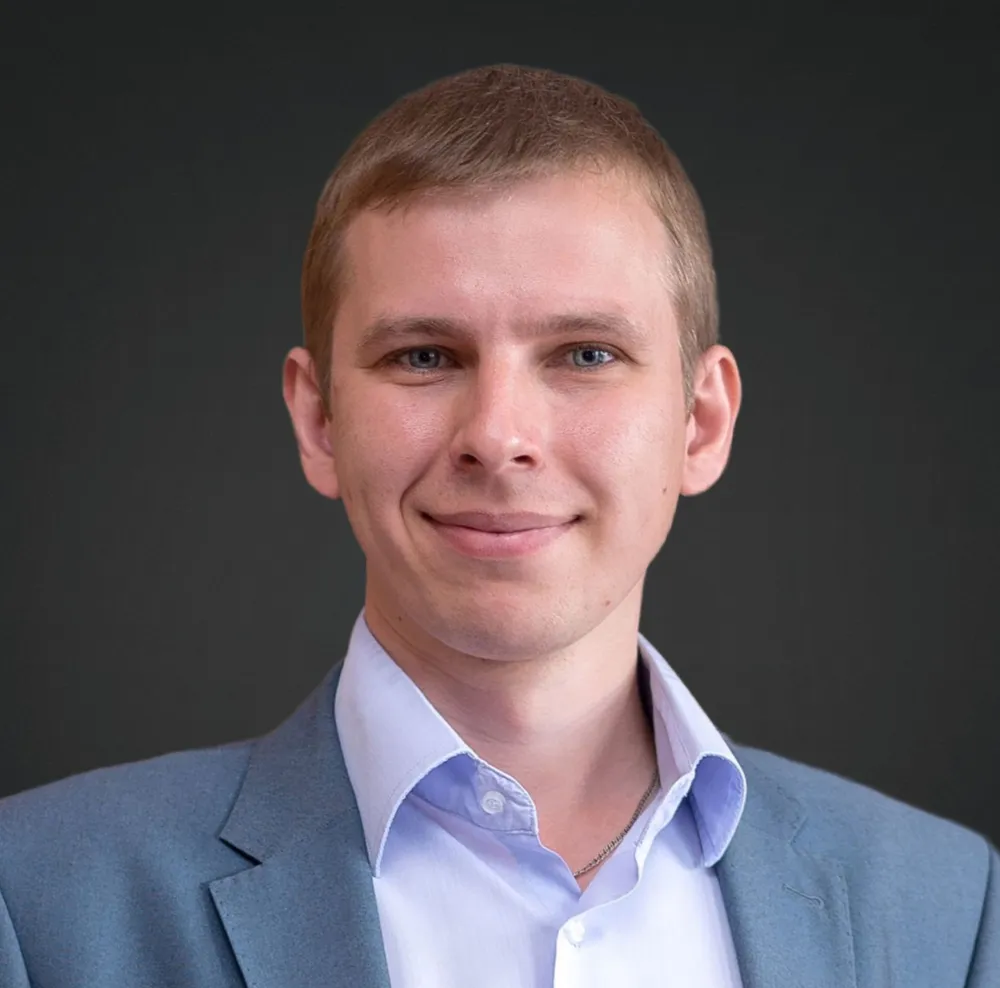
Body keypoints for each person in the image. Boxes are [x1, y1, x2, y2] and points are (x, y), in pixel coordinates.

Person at [0, 63, 995, 988]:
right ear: (318, 421)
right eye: (424, 357)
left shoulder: (949, 915)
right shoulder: (37, 901)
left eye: (586, 354)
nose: (498, 436)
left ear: (700, 423)